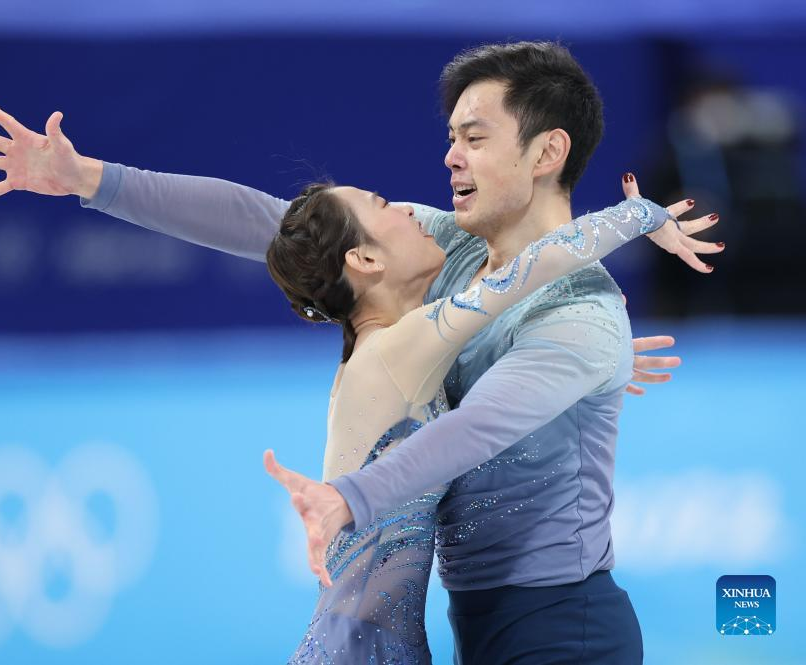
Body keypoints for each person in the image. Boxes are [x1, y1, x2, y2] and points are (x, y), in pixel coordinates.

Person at [0, 41, 723, 662]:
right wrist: (89, 177)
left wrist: (592, 356)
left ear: (546, 150)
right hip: (454, 624)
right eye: (450, 137)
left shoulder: (577, 315)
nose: (449, 158)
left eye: (474, 137)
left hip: (559, 625)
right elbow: (273, 222)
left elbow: (482, 422)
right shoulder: (443, 251)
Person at [258, 179, 695, 662]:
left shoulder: (390, 353)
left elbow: (490, 355)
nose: (409, 211)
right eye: (384, 205)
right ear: (364, 259)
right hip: (360, 651)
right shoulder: (398, 347)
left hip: (374, 643)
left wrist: (588, 352)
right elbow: (538, 265)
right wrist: (644, 214)